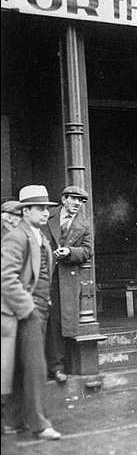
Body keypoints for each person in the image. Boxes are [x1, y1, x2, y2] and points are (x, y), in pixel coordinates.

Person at [1, 185, 62, 440]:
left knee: (20, 367)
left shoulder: (37, 235)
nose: (45, 213)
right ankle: (39, 423)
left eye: (47, 209)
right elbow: (5, 277)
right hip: (23, 311)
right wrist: (28, 310)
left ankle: (13, 421)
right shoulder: (18, 236)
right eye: (39, 209)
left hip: (35, 307)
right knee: (36, 367)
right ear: (25, 211)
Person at [43, 186, 93, 384]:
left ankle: (57, 367)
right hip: (42, 273)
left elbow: (88, 251)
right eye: (74, 200)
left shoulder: (84, 224)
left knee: (59, 322)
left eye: (81, 201)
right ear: (64, 199)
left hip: (65, 278)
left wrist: (70, 252)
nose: (77, 204)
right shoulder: (48, 215)